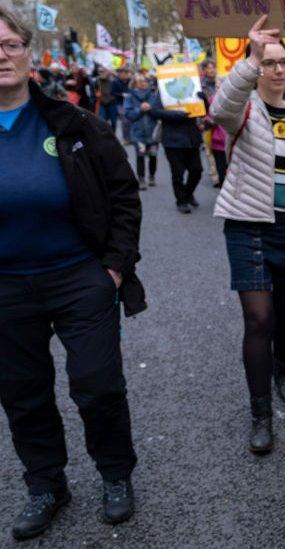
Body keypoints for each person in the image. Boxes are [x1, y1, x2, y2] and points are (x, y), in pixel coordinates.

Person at [0, 7, 146, 540]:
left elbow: (124, 197)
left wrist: (112, 268)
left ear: (28, 51)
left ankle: (115, 475)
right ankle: (46, 485)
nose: (2, 55)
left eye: (11, 44)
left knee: (98, 384)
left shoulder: (73, 122)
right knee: (23, 391)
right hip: (7, 288)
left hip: (78, 277)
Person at [210, 16, 285, 455]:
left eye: (284, 63)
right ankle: (260, 412)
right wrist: (251, 56)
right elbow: (219, 106)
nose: (278, 70)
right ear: (258, 67)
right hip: (248, 228)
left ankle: (283, 369)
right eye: (270, 63)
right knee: (259, 319)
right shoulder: (242, 109)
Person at [149, 76, 203, 213]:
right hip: (173, 140)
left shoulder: (193, 89)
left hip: (192, 139)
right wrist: (178, 115)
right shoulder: (164, 92)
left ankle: (188, 193)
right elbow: (155, 111)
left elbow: (203, 112)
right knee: (178, 173)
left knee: (196, 170)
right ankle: (181, 201)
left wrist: (204, 100)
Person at [123, 73, 159, 190]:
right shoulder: (130, 97)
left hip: (153, 132)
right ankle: (141, 178)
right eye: (140, 81)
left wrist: (151, 109)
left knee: (153, 155)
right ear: (134, 84)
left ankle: (152, 176)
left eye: (145, 81)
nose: (143, 83)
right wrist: (140, 110)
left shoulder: (153, 95)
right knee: (140, 156)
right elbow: (128, 114)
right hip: (138, 133)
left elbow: (159, 111)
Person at [95, 66, 123, 132]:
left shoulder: (113, 79)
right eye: (100, 72)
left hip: (112, 102)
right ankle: (105, 136)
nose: (101, 73)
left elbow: (119, 89)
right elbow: (95, 89)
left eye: (103, 71)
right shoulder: (97, 80)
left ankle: (113, 135)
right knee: (102, 120)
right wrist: (96, 93)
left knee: (114, 121)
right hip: (102, 103)